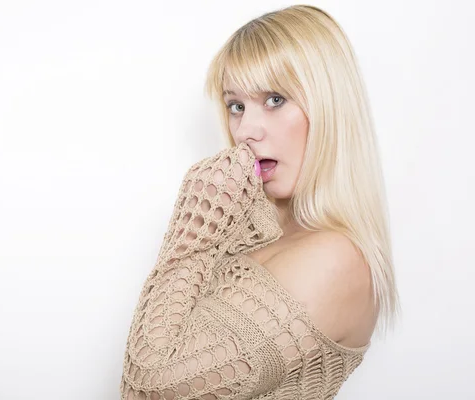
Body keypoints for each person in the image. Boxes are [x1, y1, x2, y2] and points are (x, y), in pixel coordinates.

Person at [119, 4, 400, 399]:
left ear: (330, 107)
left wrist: (196, 223)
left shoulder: (337, 258)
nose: (246, 131)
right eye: (236, 106)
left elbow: (149, 387)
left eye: (274, 99)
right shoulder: (259, 232)